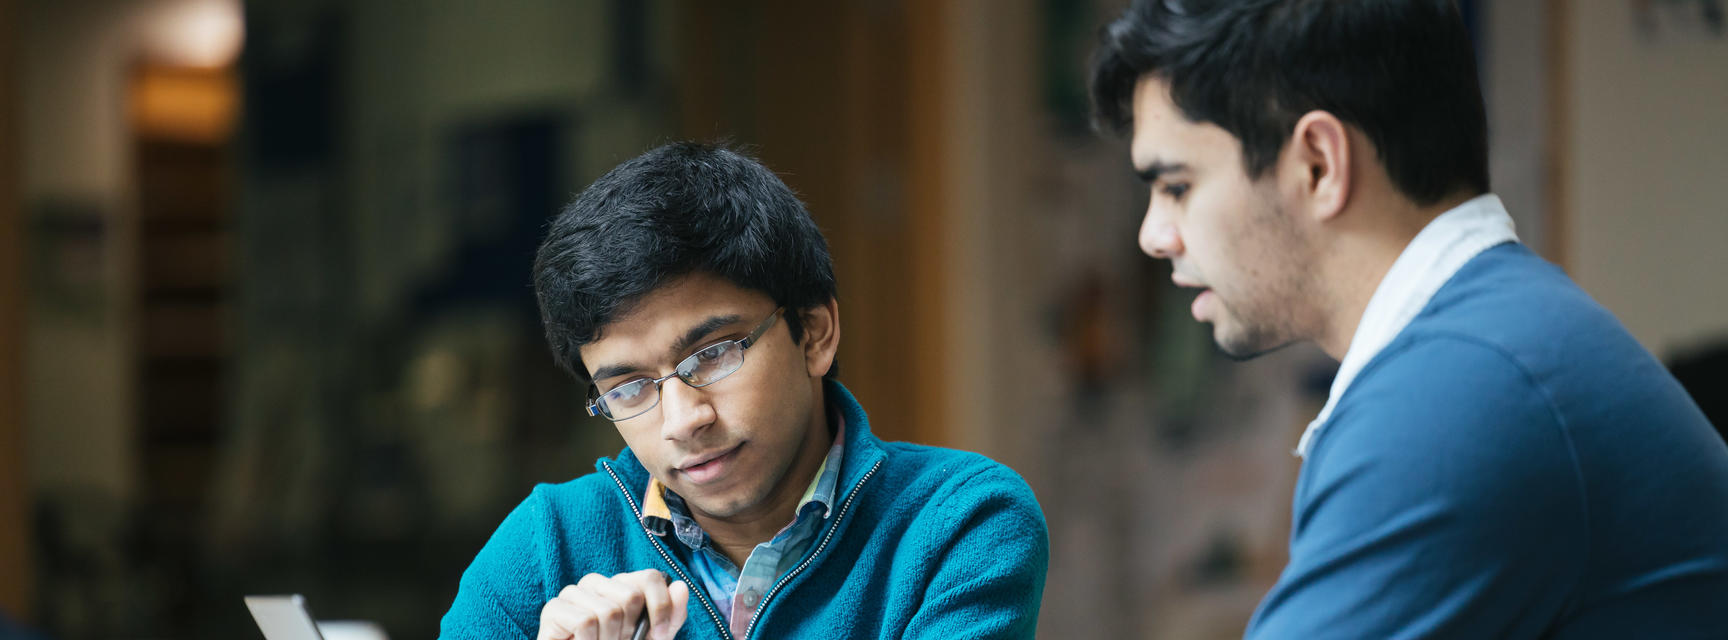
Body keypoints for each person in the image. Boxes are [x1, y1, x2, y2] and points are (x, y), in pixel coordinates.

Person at [1089, 1, 1728, 637]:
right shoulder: (1493, 342)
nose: (1154, 235)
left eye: (1177, 186)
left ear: (1319, 164)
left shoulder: (1456, 393)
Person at [439, 142, 1048, 640]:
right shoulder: (545, 549)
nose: (682, 420)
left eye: (712, 354)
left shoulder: (959, 522)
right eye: (628, 388)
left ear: (814, 332)